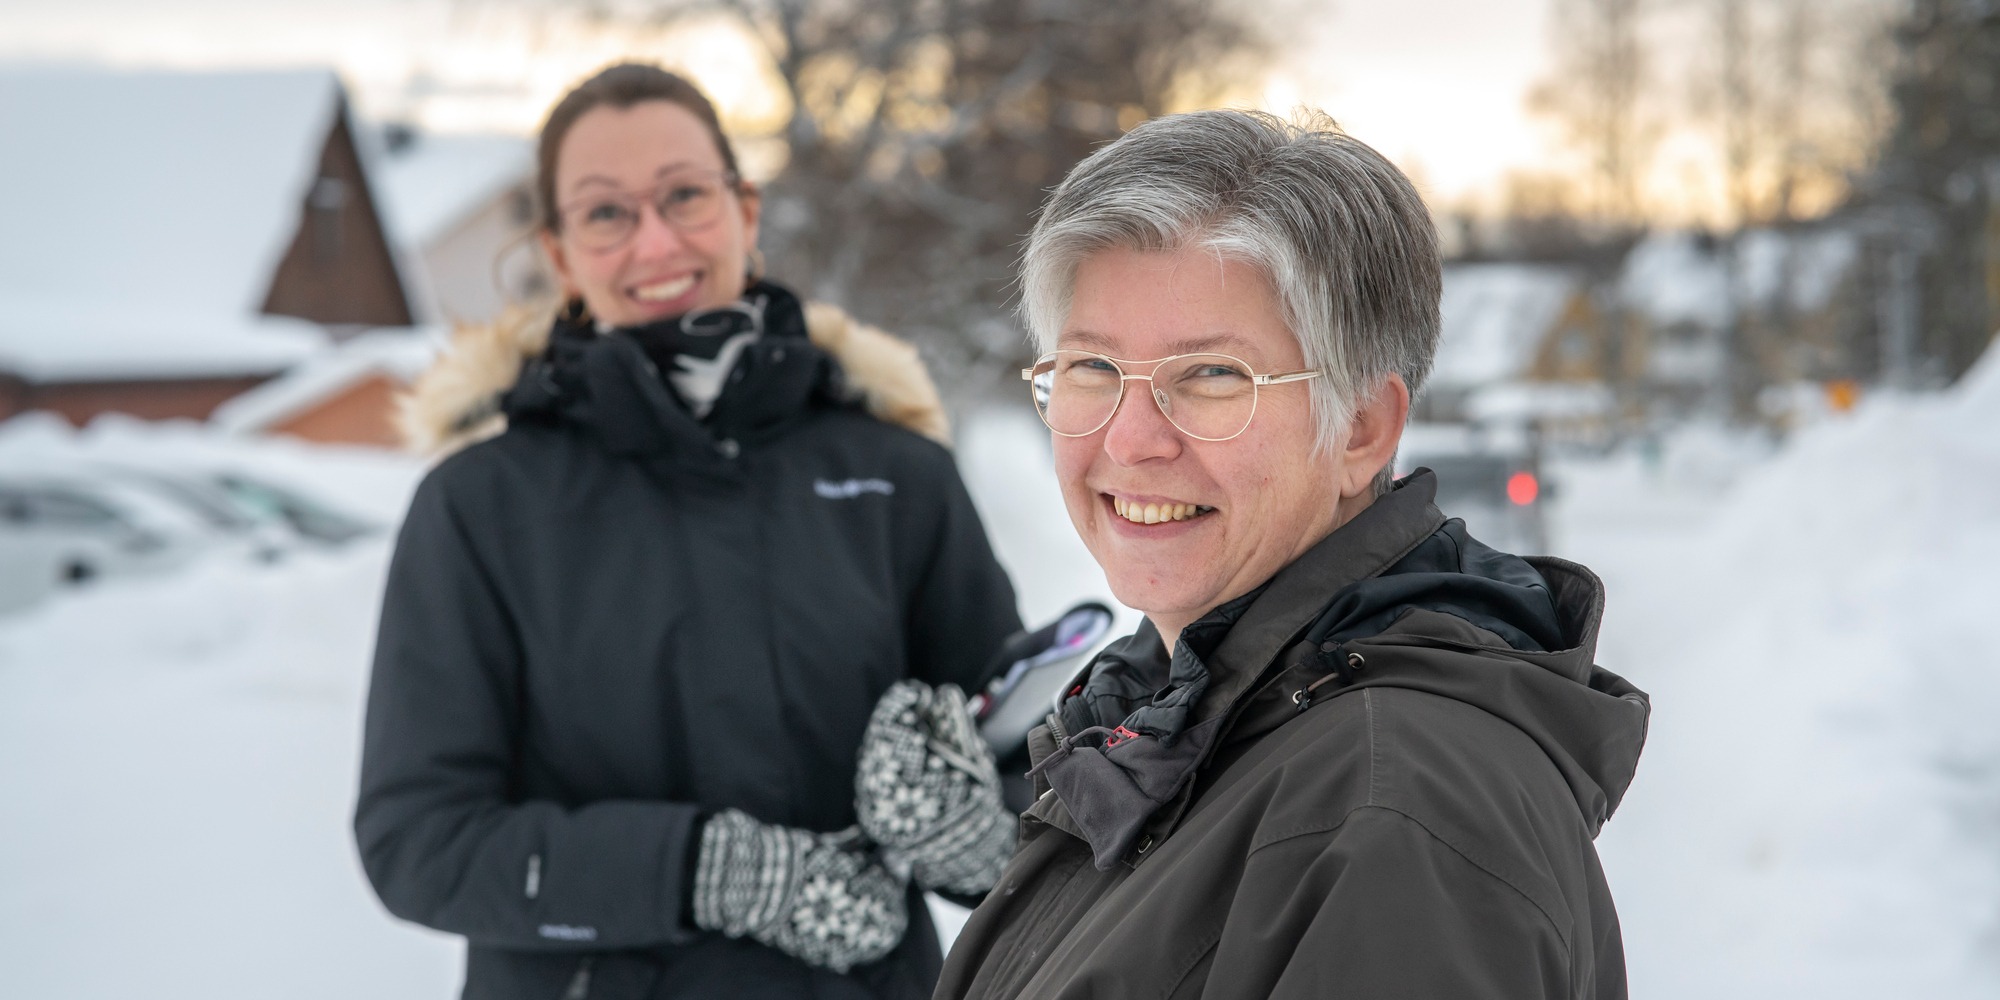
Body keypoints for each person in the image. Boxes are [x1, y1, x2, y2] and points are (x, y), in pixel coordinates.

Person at [935, 109, 1651, 999]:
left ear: (1361, 427)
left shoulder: (1398, 815)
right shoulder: (1185, 723)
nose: (1132, 439)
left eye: (1211, 375)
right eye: (1092, 368)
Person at [353, 64, 1023, 1000]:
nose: (655, 240)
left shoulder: (893, 475)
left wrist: (984, 834)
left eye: (684, 196)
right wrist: (705, 870)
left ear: (744, 211)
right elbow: (419, 841)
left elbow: (1020, 763)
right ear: (559, 253)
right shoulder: (480, 506)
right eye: (606, 213)